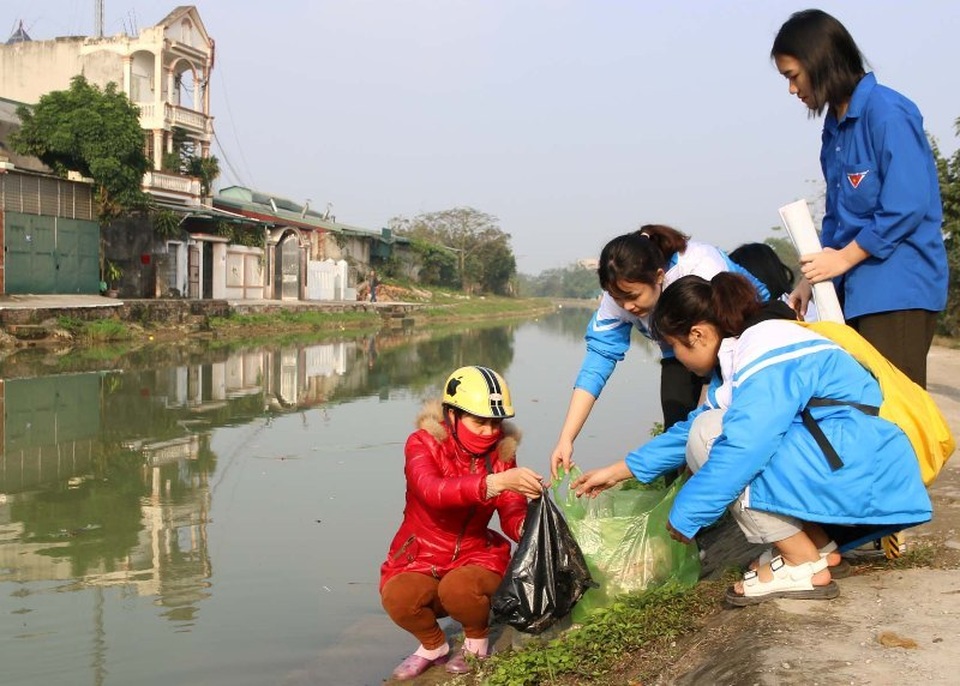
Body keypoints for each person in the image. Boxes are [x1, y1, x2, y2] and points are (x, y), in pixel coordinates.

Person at [570, 273, 932, 605]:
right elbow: (693, 426)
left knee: (716, 437)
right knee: (707, 427)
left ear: (697, 334)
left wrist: (687, 512)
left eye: (673, 347)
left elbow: (744, 445)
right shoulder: (746, 352)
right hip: (851, 463)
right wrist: (620, 470)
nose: (676, 359)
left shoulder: (765, 348)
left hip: (860, 470)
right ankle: (820, 549)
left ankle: (802, 564)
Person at [772, 9, 948, 389]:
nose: (791, 89)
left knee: (897, 413)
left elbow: (908, 203)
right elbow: (838, 218)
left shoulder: (887, 113)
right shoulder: (834, 128)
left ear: (819, 62)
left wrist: (845, 258)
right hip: (854, 292)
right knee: (864, 412)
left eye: (792, 76)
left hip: (897, 290)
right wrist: (811, 278)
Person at [549, 225, 770, 481]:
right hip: (682, 348)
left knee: (719, 426)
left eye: (633, 297)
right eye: (618, 299)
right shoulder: (620, 295)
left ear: (659, 276)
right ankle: (676, 494)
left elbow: (722, 345)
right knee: (676, 429)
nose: (627, 307)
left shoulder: (701, 268)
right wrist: (566, 438)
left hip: (738, 337)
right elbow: (598, 360)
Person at [379, 365, 544, 680]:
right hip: (420, 554)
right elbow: (432, 492)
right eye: (479, 422)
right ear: (452, 415)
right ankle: (433, 647)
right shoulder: (422, 444)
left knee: (460, 588)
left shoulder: (501, 453)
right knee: (398, 598)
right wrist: (493, 483)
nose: (488, 431)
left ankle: (477, 642)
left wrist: (523, 526)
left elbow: (510, 507)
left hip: (476, 554)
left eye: (496, 423)